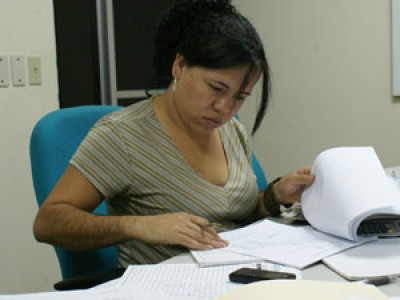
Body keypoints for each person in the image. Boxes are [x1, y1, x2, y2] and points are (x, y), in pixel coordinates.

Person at [33, 0, 314, 267]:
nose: (224, 108)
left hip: (236, 275)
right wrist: (139, 226)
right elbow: (48, 223)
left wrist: (275, 195)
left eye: (240, 96)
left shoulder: (230, 129)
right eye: (216, 88)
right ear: (179, 66)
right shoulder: (122, 136)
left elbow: (233, 211)